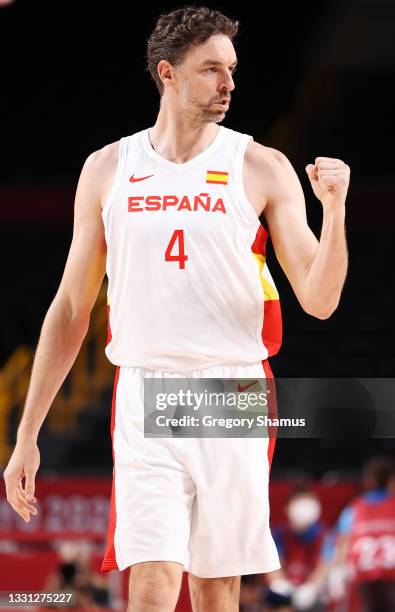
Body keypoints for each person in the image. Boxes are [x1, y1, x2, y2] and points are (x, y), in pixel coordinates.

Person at [3, 5, 349, 611]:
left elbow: (320, 301)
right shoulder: (109, 168)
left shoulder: (260, 165)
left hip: (231, 388)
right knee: (152, 580)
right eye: (211, 69)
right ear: (168, 74)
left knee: (216, 589)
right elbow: (69, 308)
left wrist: (336, 209)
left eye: (232, 70)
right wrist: (26, 433)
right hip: (146, 385)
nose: (229, 84)